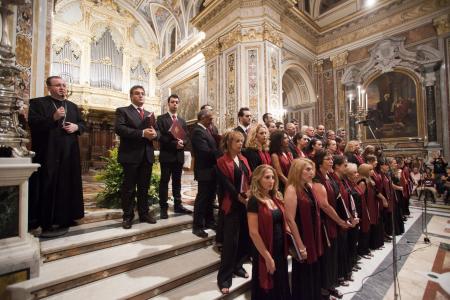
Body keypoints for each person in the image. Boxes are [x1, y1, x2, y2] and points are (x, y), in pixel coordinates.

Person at [28, 76, 85, 235]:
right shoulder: (37, 103)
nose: (62, 88)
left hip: (69, 153)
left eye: (64, 85)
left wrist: (76, 127)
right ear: (49, 87)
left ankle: (66, 217)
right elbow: (33, 123)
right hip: (47, 152)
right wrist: (53, 118)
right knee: (47, 184)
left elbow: (82, 124)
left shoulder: (72, 106)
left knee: (67, 184)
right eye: (58, 85)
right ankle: (44, 220)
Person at [115, 85, 159, 229]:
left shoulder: (149, 114)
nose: (141, 96)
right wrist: (142, 133)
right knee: (128, 188)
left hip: (147, 155)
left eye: (143, 93)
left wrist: (155, 134)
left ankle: (144, 213)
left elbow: (157, 131)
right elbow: (120, 129)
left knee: (144, 187)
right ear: (131, 96)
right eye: (137, 94)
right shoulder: (123, 111)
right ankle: (127, 216)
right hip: (130, 155)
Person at [247, 165, 291, 300]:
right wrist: (267, 257)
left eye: (273, 177)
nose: (271, 180)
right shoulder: (254, 200)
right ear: (258, 179)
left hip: (280, 250)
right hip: (265, 250)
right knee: (267, 287)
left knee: (280, 284)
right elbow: (253, 232)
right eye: (267, 177)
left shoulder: (275, 197)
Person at [216, 130, 252, 295]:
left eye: (242, 141)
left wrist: (249, 194)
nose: (240, 144)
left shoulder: (243, 159)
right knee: (230, 243)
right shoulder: (222, 161)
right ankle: (224, 277)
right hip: (232, 205)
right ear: (229, 143)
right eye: (237, 141)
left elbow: (249, 179)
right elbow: (227, 185)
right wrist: (240, 198)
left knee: (243, 239)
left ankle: (237, 266)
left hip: (245, 203)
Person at [284, 158, 322, 300]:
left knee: (312, 271)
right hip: (303, 237)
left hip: (312, 235)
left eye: (312, 169)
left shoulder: (308, 187)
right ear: (297, 170)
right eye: (307, 169)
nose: (311, 172)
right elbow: (290, 220)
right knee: (304, 273)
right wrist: (300, 246)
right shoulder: (291, 189)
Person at [157, 94, 191, 219]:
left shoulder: (182, 121)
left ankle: (178, 205)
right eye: (172, 102)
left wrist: (183, 143)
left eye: (177, 102)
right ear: (168, 104)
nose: (175, 104)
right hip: (167, 155)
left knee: (177, 182)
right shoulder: (161, 119)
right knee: (164, 182)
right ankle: (163, 208)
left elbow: (186, 136)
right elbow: (160, 137)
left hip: (179, 156)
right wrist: (174, 144)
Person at [191, 109, 221, 238]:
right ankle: (197, 226)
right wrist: (221, 155)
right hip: (204, 170)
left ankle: (209, 221)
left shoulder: (208, 130)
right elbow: (204, 152)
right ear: (202, 118)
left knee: (210, 197)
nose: (212, 120)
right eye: (210, 118)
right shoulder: (197, 131)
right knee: (202, 198)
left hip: (211, 169)